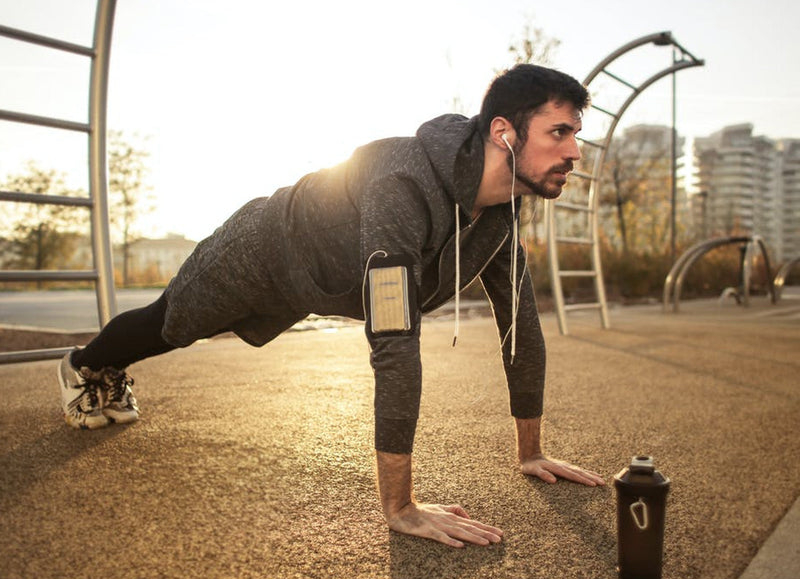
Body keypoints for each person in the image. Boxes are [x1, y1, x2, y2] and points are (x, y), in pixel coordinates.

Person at [57, 64, 606, 548]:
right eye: (559, 132)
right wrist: (401, 506)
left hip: (320, 282)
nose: (575, 152)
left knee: (175, 325)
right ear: (503, 133)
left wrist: (530, 452)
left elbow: (522, 328)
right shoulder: (403, 184)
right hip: (263, 248)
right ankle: (86, 363)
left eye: (577, 135)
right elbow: (394, 338)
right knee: (172, 325)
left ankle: (104, 367)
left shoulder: (502, 217)